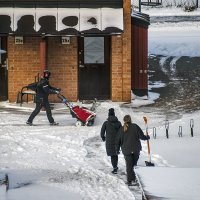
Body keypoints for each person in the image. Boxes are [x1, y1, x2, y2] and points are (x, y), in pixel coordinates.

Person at [116, 115, 150, 186]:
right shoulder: (135, 126)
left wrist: (117, 149)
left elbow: (117, 141)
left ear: (124, 120)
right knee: (134, 164)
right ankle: (135, 178)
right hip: (136, 149)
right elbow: (141, 136)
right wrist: (147, 137)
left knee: (129, 165)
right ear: (130, 119)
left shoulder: (121, 129)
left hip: (126, 150)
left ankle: (130, 180)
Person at [100, 108, 122, 174]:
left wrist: (103, 138)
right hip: (117, 141)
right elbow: (121, 132)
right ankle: (115, 166)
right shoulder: (118, 123)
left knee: (112, 155)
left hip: (109, 141)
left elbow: (102, 132)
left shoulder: (106, 123)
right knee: (115, 154)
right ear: (114, 114)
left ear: (108, 115)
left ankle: (115, 168)